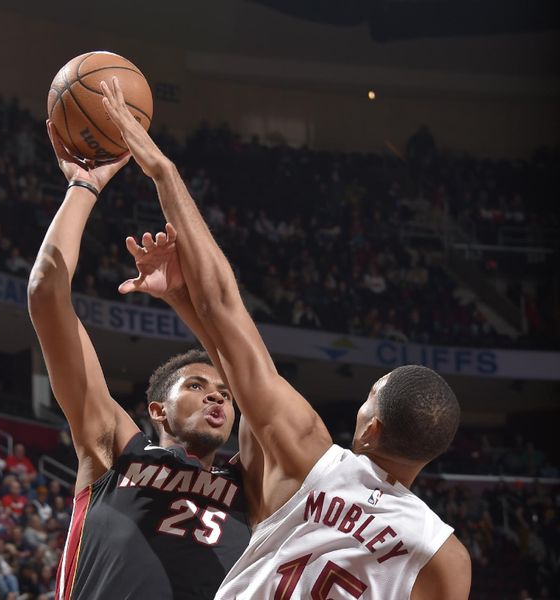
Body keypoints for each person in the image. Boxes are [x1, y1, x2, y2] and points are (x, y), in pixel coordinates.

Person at [101, 77, 472, 600]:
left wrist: (164, 173)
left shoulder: (307, 453)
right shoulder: (445, 559)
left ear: (371, 430)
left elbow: (225, 308)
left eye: (367, 400)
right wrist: (182, 300)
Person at [27, 121, 250, 599]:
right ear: (156, 409)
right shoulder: (115, 450)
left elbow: (254, 379)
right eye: (195, 385)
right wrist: (84, 185)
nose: (216, 394)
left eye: (224, 394)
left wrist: (182, 302)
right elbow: (46, 294)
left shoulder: (257, 480)